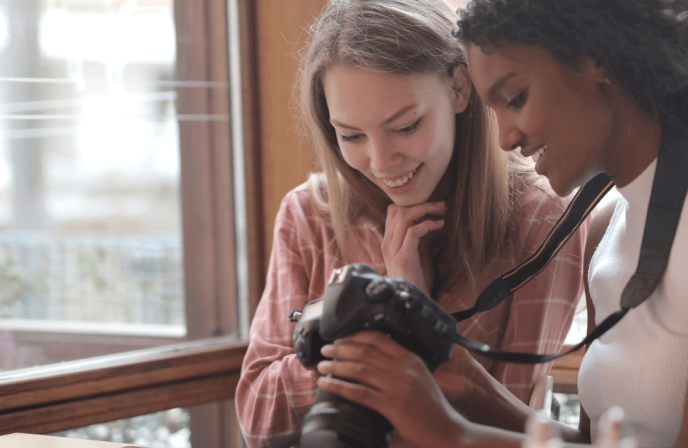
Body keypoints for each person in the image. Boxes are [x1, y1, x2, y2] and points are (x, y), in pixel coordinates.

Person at [310, 0, 688, 448]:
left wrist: (447, 433)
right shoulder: (608, 227)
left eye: (516, 98)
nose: (505, 139)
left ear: (597, 60)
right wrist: (466, 382)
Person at [234, 0, 589, 446]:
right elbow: (257, 417)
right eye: (352, 136)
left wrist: (407, 324)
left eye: (405, 127)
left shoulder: (540, 219)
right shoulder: (310, 213)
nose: (382, 163)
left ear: (459, 88)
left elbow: (506, 420)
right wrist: (385, 317)